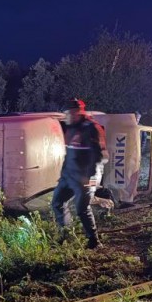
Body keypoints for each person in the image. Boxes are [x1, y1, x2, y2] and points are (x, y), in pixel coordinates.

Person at [51, 98, 108, 249]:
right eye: (66, 114)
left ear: (78, 112)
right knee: (57, 203)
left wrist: (89, 178)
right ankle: (66, 236)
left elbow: (99, 156)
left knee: (82, 208)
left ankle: (94, 242)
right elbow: (68, 153)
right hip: (69, 176)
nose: (67, 117)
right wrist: (63, 174)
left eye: (69, 113)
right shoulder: (71, 128)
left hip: (86, 177)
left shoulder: (91, 128)